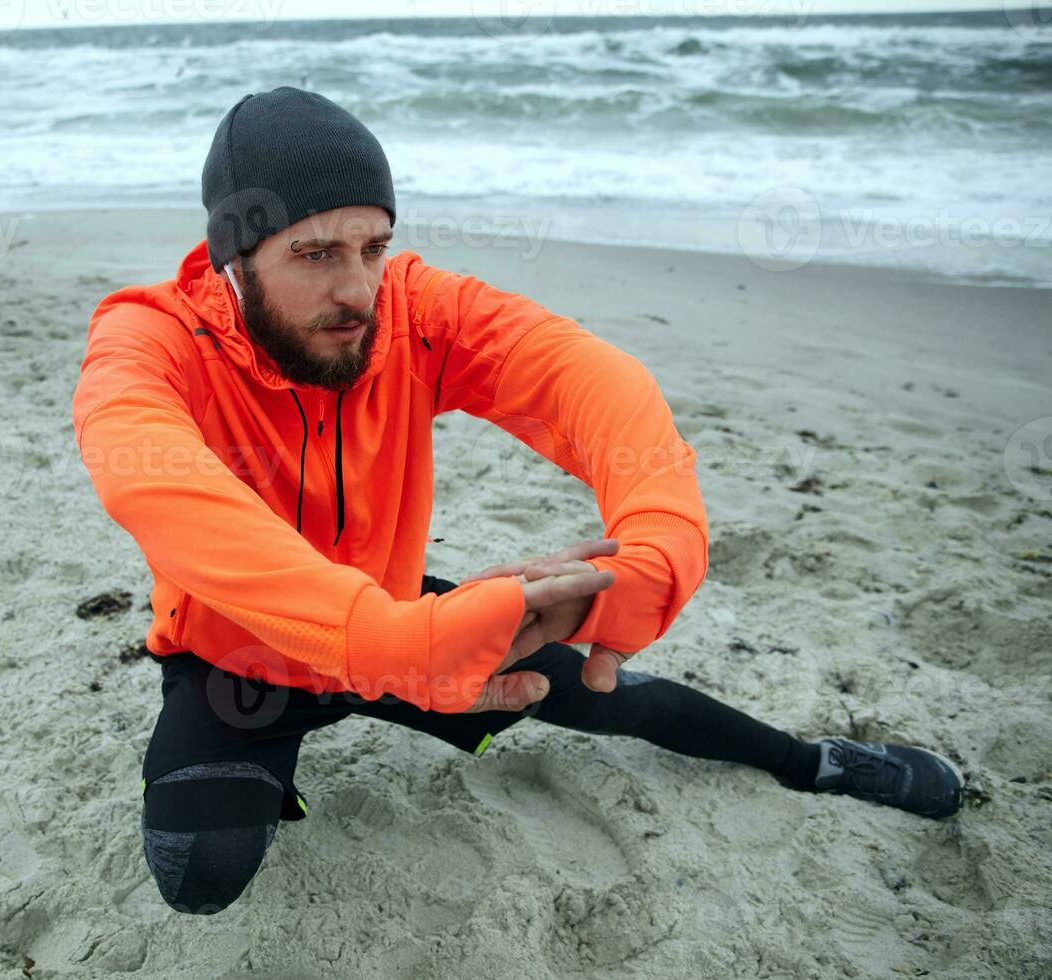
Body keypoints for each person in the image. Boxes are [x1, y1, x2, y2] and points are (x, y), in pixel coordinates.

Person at [70, 86, 965, 916]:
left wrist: (663, 529)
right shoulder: (152, 338)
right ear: (234, 261)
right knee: (199, 874)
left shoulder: (412, 309)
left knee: (620, 692)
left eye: (372, 246)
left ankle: (814, 761)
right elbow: (152, 482)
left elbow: (580, 375)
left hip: (406, 621)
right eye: (314, 253)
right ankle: (276, 773)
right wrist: (383, 644)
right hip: (244, 661)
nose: (356, 290)